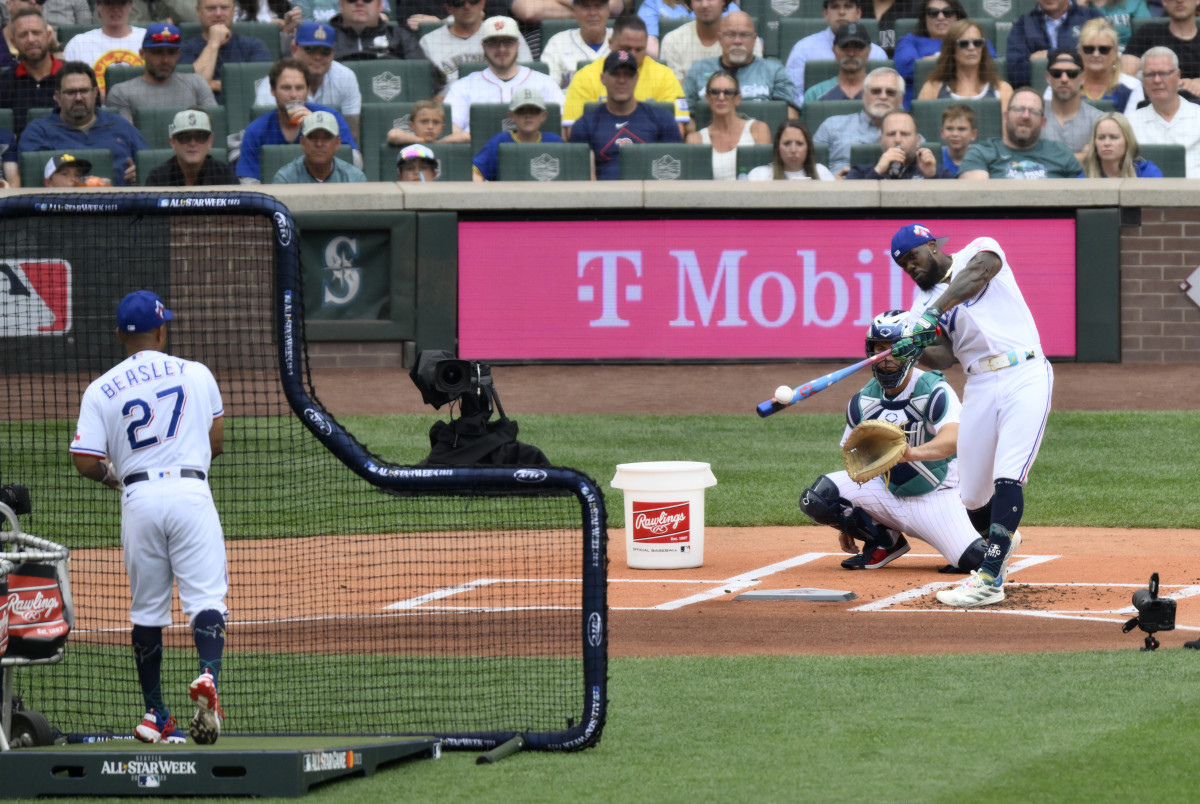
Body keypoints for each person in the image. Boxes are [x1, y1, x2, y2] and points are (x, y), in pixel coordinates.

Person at [69, 290, 228, 744]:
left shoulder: (101, 388)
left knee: (147, 613)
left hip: (138, 499)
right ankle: (208, 676)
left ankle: (156, 714)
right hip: (190, 492)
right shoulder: (197, 374)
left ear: (120, 335)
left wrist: (116, 478)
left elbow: (85, 459)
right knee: (205, 600)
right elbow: (216, 441)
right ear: (162, 330)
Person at [888, 223, 1052, 606]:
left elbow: (979, 274)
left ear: (932, 245)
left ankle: (990, 580)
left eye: (913, 258)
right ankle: (1004, 537)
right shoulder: (920, 307)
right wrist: (910, 346)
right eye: (903, 266)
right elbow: (944, 357)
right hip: (979, 385)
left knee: (1008, 476)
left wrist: (932, 313)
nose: (911, 268)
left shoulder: (978, 250)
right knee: (973, 496)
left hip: (1025, 373)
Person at [795, 310, 990, 574]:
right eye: (880, 348)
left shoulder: (933, 389)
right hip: (888, 492)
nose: (886, 357)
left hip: (937, 495)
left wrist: (911, 453)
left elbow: (954, 439)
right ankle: (884, 541)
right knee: (818, 498)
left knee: (977, 562)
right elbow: (856, 462)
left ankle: (987, 526)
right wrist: (849, 519)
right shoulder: (863, 401)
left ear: (911, 350)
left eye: (894, 348)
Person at [19, 61, 148, 185]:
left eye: (84, 91)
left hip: (121, 203)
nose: (78, 98)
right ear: (58, 97)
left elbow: (148, 168)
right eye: (71, 92)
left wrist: (140, 174)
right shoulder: (38, 132)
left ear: (95, 93)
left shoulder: (120, 126)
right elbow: (33, 179)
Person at [235, 57, 360, 183]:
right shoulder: (256, 130)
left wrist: (316, 126)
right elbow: (248, 182)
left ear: (308, 90)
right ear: (273, 90)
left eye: (300, 88)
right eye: (286, 88)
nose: (294, 94)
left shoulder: (331, 117)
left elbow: (356, 162)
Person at [563, 14, 689, 136]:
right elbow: (572, 131)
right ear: (611, 43)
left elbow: (677, 130)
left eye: (639, 49)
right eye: (626, 48)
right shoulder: (585, 76)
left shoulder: (664, 75)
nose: (632, 55)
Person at [569, 48, 682, 179]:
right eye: (615, 74)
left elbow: (671, 173)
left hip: (651, 195)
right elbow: (581, 178)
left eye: (628, 74)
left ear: (636, 78)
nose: (622, 80)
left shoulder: (662, 119)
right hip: (602, 196)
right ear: (602, 78)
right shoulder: (585, 125)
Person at [444, 16, 564, 133]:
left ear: (517, 45)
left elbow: (563, 124)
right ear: (483, 46)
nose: (501, 49)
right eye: (493, 42)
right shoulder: (463, 86)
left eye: (508, 42)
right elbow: (449, 130)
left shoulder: (544, 82)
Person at [253, 21, 362, 141]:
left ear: (333, 53)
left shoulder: (345, 77)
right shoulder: (274, 85)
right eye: (310, 49)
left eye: (325, 51)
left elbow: (351, 135)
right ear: (294, 49)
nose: (318, 56)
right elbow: (264, 134)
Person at [680, 12, 795, 114]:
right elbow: (683, 114)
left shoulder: (774, 71)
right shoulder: (698, 70)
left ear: (754, 40)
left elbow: (789, 115)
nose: (737, 41)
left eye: (744, 35)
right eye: (730, 35)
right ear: (720, 39)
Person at [957, 86, 1082, 178]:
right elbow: (976, 201)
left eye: (1034, 111)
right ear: (1005, 116)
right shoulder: (981, 153)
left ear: (1043, 122)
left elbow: (1081, 197)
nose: (1025, 116)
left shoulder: (1061, 153)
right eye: (1019, 109)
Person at [106, 23, 217, 123]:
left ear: (178, 54)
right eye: (157, 52)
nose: (165, 60)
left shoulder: (196, 84)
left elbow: (214, 125)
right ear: (142, 53)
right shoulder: (121, 92)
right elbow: (126, 137)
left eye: (171, 53)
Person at [785, 0, 887, 105]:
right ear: (825, 13)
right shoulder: (803, 49)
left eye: (848, 6)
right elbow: (793, 94)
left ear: (859, 13)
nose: (841, 12)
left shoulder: (877, 53)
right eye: (835, 7)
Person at [420, 0, 533, 89]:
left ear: (483, 3)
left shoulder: (504, 32)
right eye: (459, 2)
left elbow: (528, 74)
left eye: (473, 0)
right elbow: (424, 87)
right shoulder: (429, 41)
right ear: (448, 8)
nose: (467, 6)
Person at [813, 65, 904, 174]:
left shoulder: (908, 135)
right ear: (864, 95)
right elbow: (810, 168)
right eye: (876, 91)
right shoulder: (831, 126)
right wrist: (830, 181)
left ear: (900, 100)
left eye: (890, 92)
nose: (883, 97)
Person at [894, 0, 983, 107]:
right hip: (922, 107)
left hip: (971, 100)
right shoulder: (909, 41)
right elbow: (906, 68)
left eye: (948, 12)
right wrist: (955, 59)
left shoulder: (974, 40)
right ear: (925, 17)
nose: (941, 17)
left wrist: (932, 59)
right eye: (933, 12)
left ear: (957, 16)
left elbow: (988, 65)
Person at [1128, 46, 1200, 177]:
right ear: (1143, 80)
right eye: (1150, 74)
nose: (1157, 80)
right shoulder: (1130, 123)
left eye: (1164, 73)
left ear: (1178, 76)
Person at [180, 0, 273, 100]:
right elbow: (192, 87)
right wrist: (213, 43)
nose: (218, 14)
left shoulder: (254, 46)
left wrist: (213, 84)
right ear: (199, 11)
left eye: (224, 8)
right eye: (211, 8)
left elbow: (263, 87)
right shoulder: (184, 48)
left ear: (233, 10)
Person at [684, 70, 769, 179]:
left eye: (728, 92)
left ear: (737, 99)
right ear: (708, 98)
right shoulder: (695, 139)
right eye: (715, 92)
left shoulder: (758, 130)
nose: (721, 97)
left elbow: (765, 175)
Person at [916, 18, 1013, 111]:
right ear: (952, 49)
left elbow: (1006, 127)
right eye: (964, 43)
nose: (971, 48)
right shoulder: (932, 88)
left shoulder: (1002, 90)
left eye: (977, 43)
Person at [1005, 0, 1104, 89]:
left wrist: (1049, 55)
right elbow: (1016, 73)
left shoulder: (1092, 18)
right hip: (1037, 96)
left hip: (1083, 92)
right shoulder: (1023, 25)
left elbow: (1102, 61)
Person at [472, 86, 564, 180]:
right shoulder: (499, 141)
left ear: (543, 116)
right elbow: (475, 172)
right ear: (511, 116)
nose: (528, 116)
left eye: (534, 111)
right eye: (521, 111)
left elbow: (569, 175)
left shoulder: (554, 141)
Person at [660, 0, 761, 83]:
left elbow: (754, 87)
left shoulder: (749, 41)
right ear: (690, 3)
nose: (704, 4)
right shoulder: (672, 41)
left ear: (724, 2)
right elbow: (675, 93)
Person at [61, 0, 145, 97]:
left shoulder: (146, 38)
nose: (115, 9)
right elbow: (66, 86)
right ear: (98, 5)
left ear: (130, 4)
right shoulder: (79, 43)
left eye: (122, 3)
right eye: (108, 3)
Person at [0, 8, 62, 136]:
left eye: (36, 32)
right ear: (13, 43)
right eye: (23, 35)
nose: (31, 39)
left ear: (48, 36)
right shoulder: (3, 84)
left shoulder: (74, 77)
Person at [846, 108, 952, 178]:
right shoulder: (860, 173)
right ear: (881, 141)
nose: (897, 139)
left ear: (918, 141)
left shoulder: (937, 171)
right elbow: (849, 205)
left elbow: (955, 206)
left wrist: (932, 177)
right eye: (891, 134)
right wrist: (877, 172)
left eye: (905, 134)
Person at [1122, 0, 1200, 94]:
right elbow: (1125, 76)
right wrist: (1172, 84)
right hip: (1152, 102)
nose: (1179, 1)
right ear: (1164, 1)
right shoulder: (1148, 33)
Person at [145, 108, 238, 185]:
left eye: (200, 136)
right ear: (172, 142)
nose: (193, 143)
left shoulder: (225, 176)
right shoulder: (157, 178)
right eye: (184, 137)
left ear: (210, 141)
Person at [1070, 18, 1143, 114]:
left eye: (1103, 49)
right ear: (1080, 52)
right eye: (1089, 49)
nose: (1096, 54)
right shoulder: (1063, 82)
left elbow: (1131, 127)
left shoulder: (1131, 87)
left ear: (1115, 53)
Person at [271, 109, 367, 181]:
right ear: (302, 142)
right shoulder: (285, 179)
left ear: (337, 143)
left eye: (327, 138)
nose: (319, 144)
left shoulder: (354, 178)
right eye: (312, 137)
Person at [1039, 49, 1101, 160]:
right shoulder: (1033, 116)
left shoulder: (1098, 120)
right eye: (1057, 73)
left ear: (1083, 78)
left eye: (1071, 74)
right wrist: (1081, 157)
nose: (1064, 79)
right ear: (1048, 77)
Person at [327, 0, 429, 65]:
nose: (359, 2)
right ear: (341, 5)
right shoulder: (326, 38)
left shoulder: (401, 37)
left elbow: (423, 76)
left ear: (380, 6)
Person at [637, 0, 745, 59]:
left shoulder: (724, 5)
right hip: (672, 66)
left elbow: (749, 42)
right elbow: (648, 44)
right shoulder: (654, 3)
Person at [540, 0, 611, 89]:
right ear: (575, 11)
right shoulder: (558, 42)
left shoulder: (622, 41)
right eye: (586, 7)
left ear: (608, 10)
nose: (592, 13)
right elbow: (548, 90)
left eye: (598, 6)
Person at [803, 21, 871, 105]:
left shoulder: (882, 92)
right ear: (834, 51)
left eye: (858, 47)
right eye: (844, 47)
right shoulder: (815, 94)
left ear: (868, 51)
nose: (851, 53)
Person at [1078, 110, 1163, 176]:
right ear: (1094, 143)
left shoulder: (1148, 173)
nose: (1106, 143)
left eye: (1114, 137)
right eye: (1101, 138)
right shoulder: (1085, 178)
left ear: (1127, 141)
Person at [744, 118, 835, 180]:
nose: (793, 150)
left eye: (799, 144)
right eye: (787, 143)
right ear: (777, 147)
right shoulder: (759, 175)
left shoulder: (822, 173)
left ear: (808, 147)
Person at [386, 97, 470, 144]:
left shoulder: (443, 143)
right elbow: (393, 135)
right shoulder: (408, 140)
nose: (430, 127)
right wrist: (421, 141)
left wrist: (440, 142)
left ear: (442, 128)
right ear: (412, 126)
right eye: (424, 121)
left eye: (436, 122)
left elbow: (466, 136)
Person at [938, 102, 977, 176]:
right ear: (942, 132)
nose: (955, 134)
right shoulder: (936, 159)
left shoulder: (980, 160)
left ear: (973, 134)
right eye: (949, 128)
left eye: (961, 129)